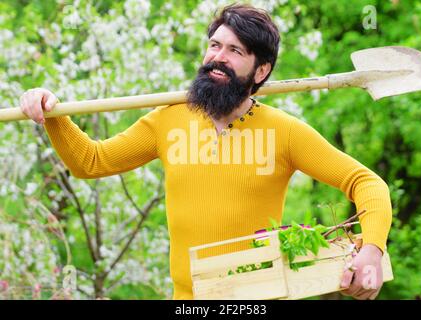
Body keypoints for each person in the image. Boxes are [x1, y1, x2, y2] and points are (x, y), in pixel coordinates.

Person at [19, 4, 392, 300]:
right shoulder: (168, 120)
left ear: (260, 71)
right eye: (215, 45)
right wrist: (54, 114)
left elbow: (366, 183)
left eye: (235, 51)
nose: (219, 57)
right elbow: (91, 161)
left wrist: (372, 249)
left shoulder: (285, 131)